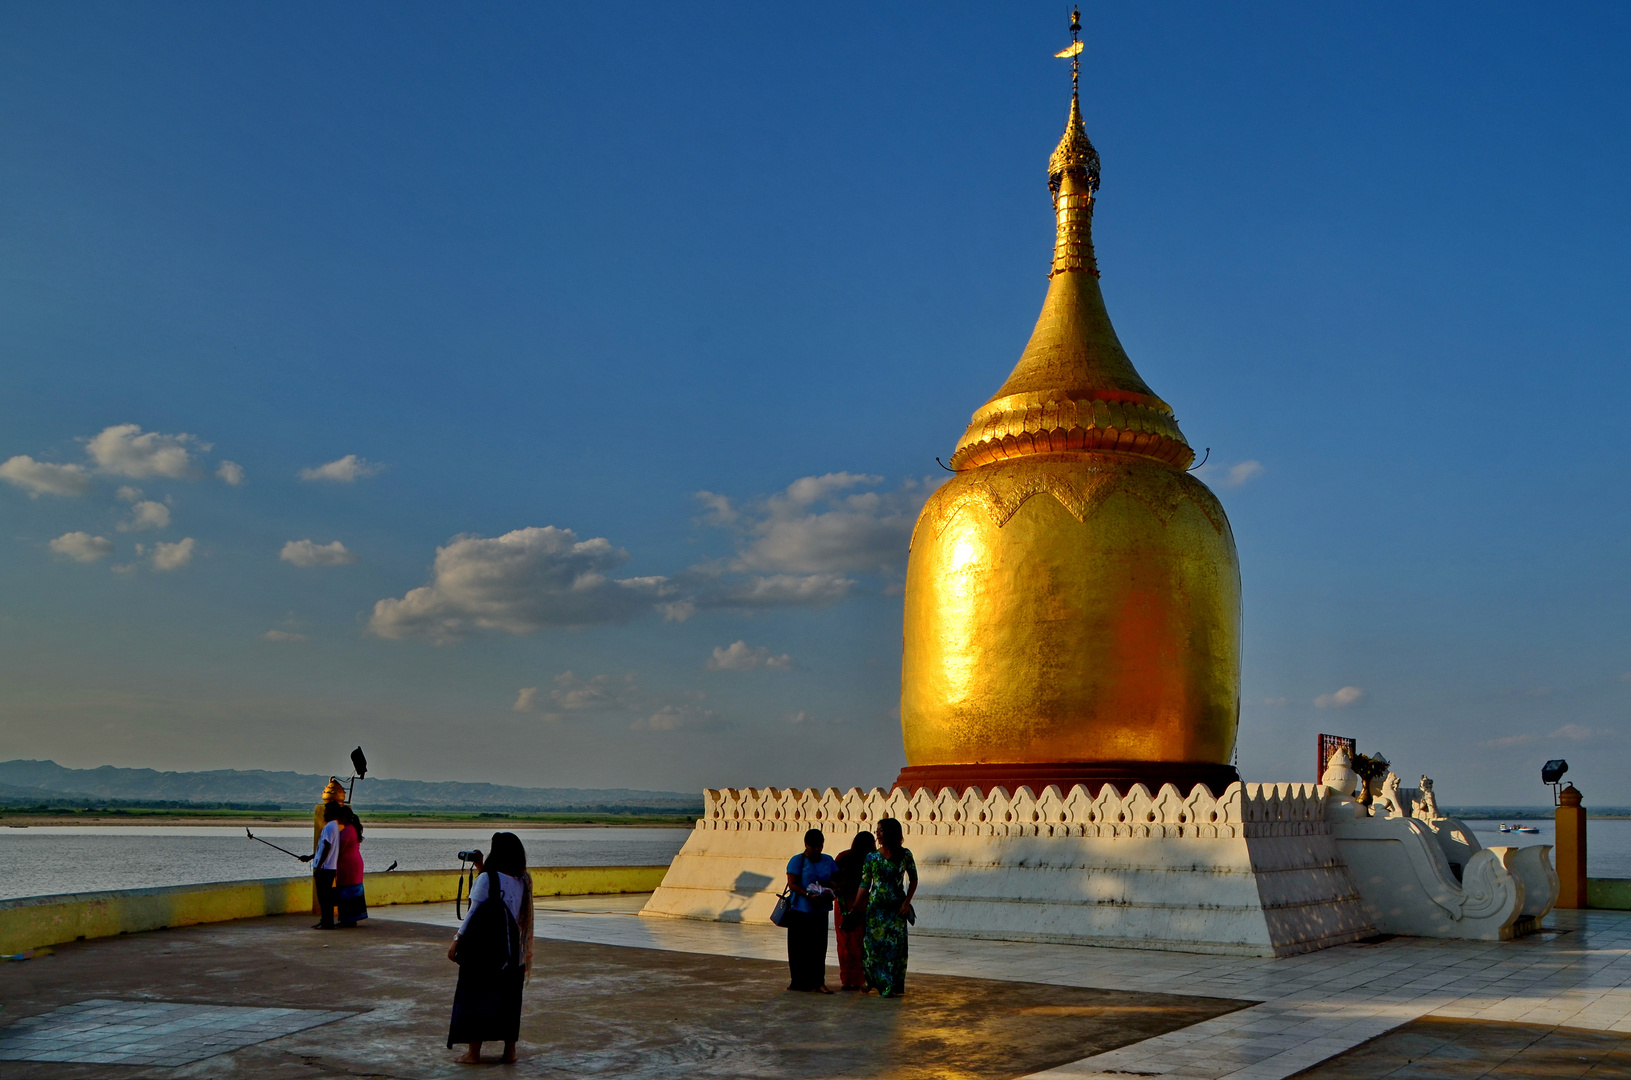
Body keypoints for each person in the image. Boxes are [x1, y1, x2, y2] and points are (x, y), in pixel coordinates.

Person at [447, 832, 534, 1065]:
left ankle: (473, 1053)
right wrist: (481, 866)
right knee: (509, 1001)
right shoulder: (523, 880)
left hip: (486, 952)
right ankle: (510, 1052)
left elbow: (474, 912)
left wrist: (457, 940)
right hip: (513, 951)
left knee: (477, 997)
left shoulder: (486, 879)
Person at [853, 816, 917, 997]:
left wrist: (907, 903)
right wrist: (856, 907)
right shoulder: (871, 857)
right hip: (876, 909)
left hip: (897, 908)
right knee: (873, 947)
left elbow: (914, 879)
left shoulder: (905, 855)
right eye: (877, 831)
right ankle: (871, 980)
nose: (878, 835)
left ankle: (890, 985)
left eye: (882, 831)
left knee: (894, 948)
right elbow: (865, 885)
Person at [783, 827, 837, 993]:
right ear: (806, 845)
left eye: (820, 846)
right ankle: (799, 981)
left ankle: (818, 981)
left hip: (819, 910)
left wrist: (828, 890)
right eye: (813, 846)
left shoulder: (828, 860)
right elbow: (793, 884)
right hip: (800, 910)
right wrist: (807, 894)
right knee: (799, 948)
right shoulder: (797, 861)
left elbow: (835, 880)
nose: (817, 850)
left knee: (818, 947)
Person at [831, 830, 875, 991]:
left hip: (843, 903)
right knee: (860, 942)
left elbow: (833, 879)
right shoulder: (871, 859)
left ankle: (848, 979)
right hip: (861, 903)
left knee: (844, 942)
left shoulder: (843, 857)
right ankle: (860, 978)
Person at [299, 802, 343, 930]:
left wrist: (318, 868)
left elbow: (327, 848)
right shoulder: (334, 826)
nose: (324, 813)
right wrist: (310, 857)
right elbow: (323, 848)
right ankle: (324, 921)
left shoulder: (329, 827)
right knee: (325, 897)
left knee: (324, 898)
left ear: (331, 812)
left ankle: (327, 923)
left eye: (326, 811)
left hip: (325, 869)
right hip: (329, 868)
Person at [335, 806, 367, 927]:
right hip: (354, 863)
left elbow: (339, 850)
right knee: (352, 891)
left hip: (348, 865)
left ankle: (347, 919)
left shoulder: (347, 831)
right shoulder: (353, 829)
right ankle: (351, 918)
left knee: (345, 890)